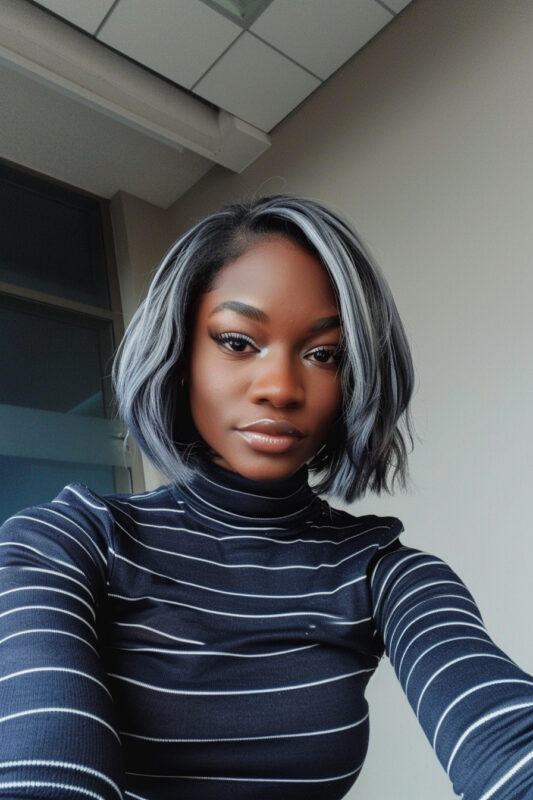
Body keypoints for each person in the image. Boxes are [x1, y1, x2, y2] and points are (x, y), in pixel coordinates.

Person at [0, 195, 532, 800]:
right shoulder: (63, 544)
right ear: (181, 358)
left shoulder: (386, 572)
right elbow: (43, 766)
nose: (280, 388)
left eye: (322, 354)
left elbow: (506, 739)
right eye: (237, 341)